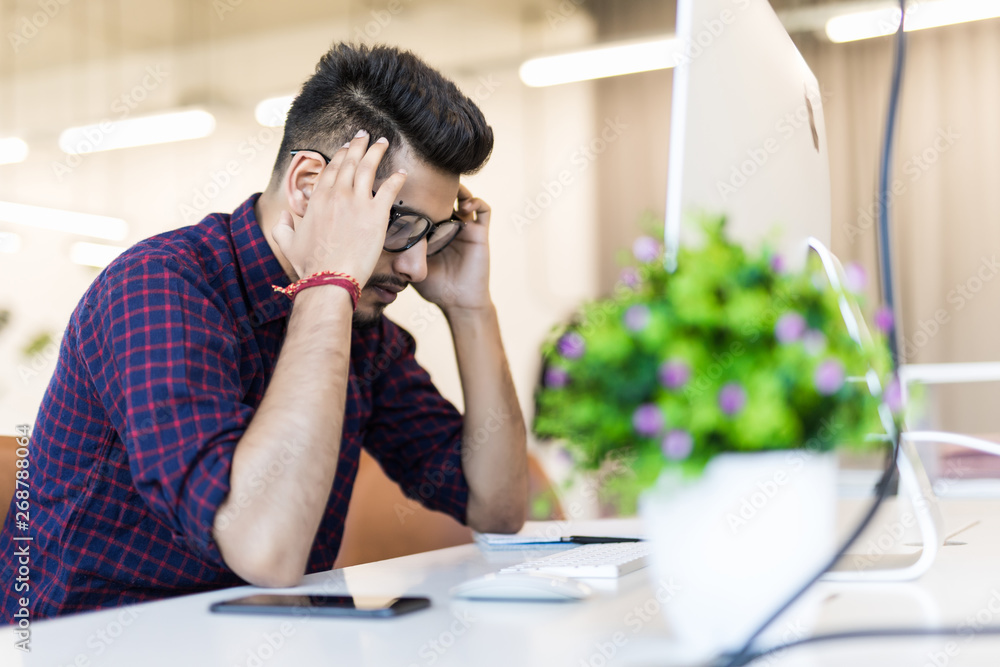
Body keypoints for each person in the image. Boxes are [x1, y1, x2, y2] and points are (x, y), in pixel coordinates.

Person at [0, 43, 528, 620]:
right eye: (399, 224)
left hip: (258, 638)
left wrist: (471, 308)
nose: (416, 266)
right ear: (308, 185)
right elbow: (266, 550)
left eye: (434, 235)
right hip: (84, 644)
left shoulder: (362, 331)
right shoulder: (158, 286)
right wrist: (329, 278)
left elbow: (496, 508)